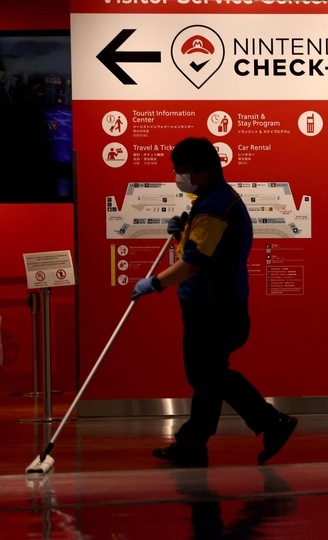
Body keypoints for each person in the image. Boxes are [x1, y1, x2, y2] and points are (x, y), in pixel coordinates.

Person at [132, 137, 297, 467]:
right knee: (207, 377)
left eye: (182, 171)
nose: (179, 177)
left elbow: (194, 263)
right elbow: (205, 250)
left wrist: (155, 283)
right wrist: (182, 232)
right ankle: (194, 443)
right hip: (215, 305)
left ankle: (271, 422)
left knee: (208, 375)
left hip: (213, 310)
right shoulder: (212, 200)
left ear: (203, 170)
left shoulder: (214, 208)